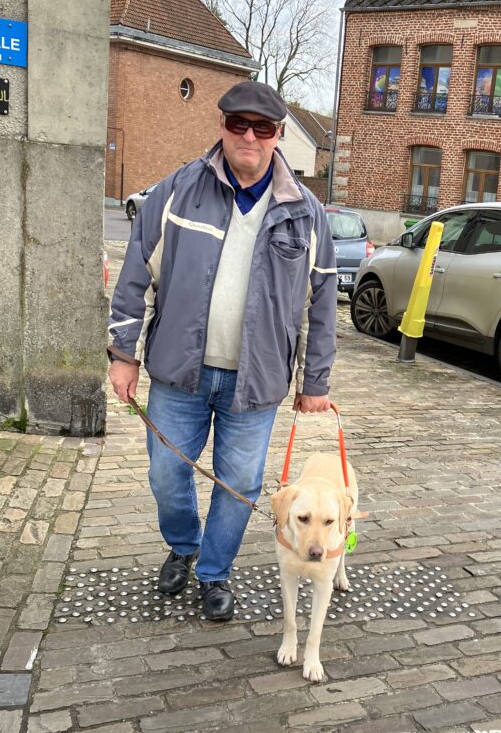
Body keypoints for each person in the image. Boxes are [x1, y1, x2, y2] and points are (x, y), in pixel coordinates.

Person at [107, 80, 337, 622]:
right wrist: (123, 352)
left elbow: (323, 300)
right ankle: (183, 546)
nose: (249, 137)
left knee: (238, 488)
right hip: (177, 373)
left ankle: (214, 572)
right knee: (166, 475)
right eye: (238, 124)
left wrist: (315, 382)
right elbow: (135, 270)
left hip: (254, 383)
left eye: (262, 128)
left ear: (279, 135)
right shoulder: (179, 190)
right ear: (222, 127)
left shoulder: (306, 213)